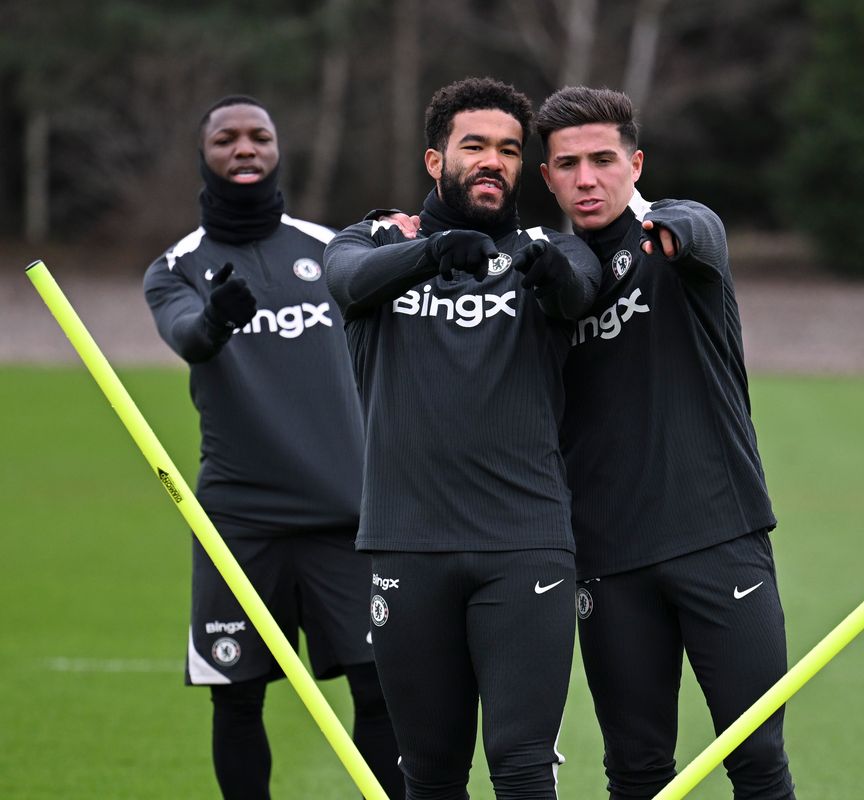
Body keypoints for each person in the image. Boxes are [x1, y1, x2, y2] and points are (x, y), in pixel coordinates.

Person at [323, 77, 601, 800]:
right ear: (433, 159)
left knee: (522, 764)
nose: (493, 161)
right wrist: (438, 252)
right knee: (430, 773)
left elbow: (581, 290)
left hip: (525, 543)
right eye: (474, 145)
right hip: (405, 543)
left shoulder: (550, 250)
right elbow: (346, 281)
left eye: (510, 149)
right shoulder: (378, 240)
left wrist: (543, 272)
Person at [534, 87, 796, 799]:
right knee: (637, 773)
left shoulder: (683, 235)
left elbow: (694, 229)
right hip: (609, 563)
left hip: (720, 539)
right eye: (567, 165)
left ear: (635, 162)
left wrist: (669, 234)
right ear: (547, 177)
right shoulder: (547, 275)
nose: (587, 179)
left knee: (757, 761)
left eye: (602, 160)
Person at [142, 96, 403, 798]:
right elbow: (188, 337)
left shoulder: (327, 248)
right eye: (227, 138)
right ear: (206, 154)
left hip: (347, 515)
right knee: (236, 697)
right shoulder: (176, 268)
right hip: (239, 523)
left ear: (279, 148)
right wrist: (217, 319)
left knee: (381, 694)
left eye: (259, 135)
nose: (244, 148)